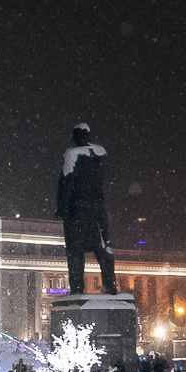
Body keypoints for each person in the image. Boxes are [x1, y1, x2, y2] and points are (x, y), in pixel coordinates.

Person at [56, 123, 115, 294]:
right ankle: (111, 286)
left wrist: (62, 207)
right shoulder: (101, 153)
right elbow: (107, 181)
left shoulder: (71, 154)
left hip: (77, 210)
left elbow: (67, 181)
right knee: (104, 248)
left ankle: (76, 289)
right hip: (99, 209)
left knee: (75, 251)